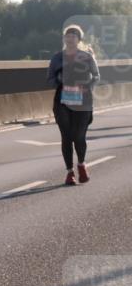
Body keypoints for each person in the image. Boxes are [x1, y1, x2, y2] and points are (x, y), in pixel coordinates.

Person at [47, 25, 100, 185]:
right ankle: (70, 173)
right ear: (64, 39)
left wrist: (87, 86)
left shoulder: (87, 56)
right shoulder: (57, 58)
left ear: (79, 39)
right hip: (62, 101)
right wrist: (61, 82)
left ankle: (81, 165)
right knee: (67, 136)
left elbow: (96, 76)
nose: (70, 38)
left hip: (83, 101)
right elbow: (50, 79)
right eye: (67, 36)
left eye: (73, 36)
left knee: (79, 136)